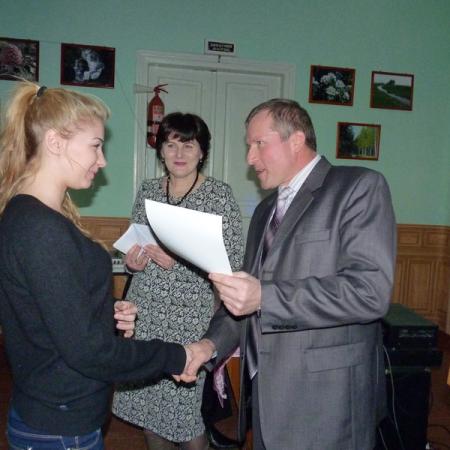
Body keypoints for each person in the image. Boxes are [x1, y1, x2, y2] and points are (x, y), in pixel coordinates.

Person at [0, 82, 202, 450]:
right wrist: (177, 355)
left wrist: (104, 310)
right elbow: (89, 352)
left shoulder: (29, 214)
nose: (103, 160)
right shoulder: (41, 229)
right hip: (59, 422)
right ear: (55, 142)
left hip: (54, 409)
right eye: (95, 145)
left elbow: (49, 310)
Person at [187, 98, 397, 449]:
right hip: (266, 397)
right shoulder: (264, 210)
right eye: (249, 146)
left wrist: (265, 297)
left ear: (296, 140)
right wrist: (208, 346)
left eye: (259, 144)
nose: (249, 158)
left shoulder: (358, 187)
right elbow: (245, 299)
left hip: (327, 403)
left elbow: (369, 292)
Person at [112, 112, 244, 450]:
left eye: (188, 145)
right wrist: (132, 263)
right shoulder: (148, 190)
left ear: (202, 152)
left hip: (190, 319)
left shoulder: (218, 195)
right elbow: (135, 244)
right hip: (145, 315)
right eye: (171, 145)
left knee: (184, 416)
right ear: (161, 151)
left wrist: (182, 260)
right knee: (148, 409)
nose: (179, 153)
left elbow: (232, 264)